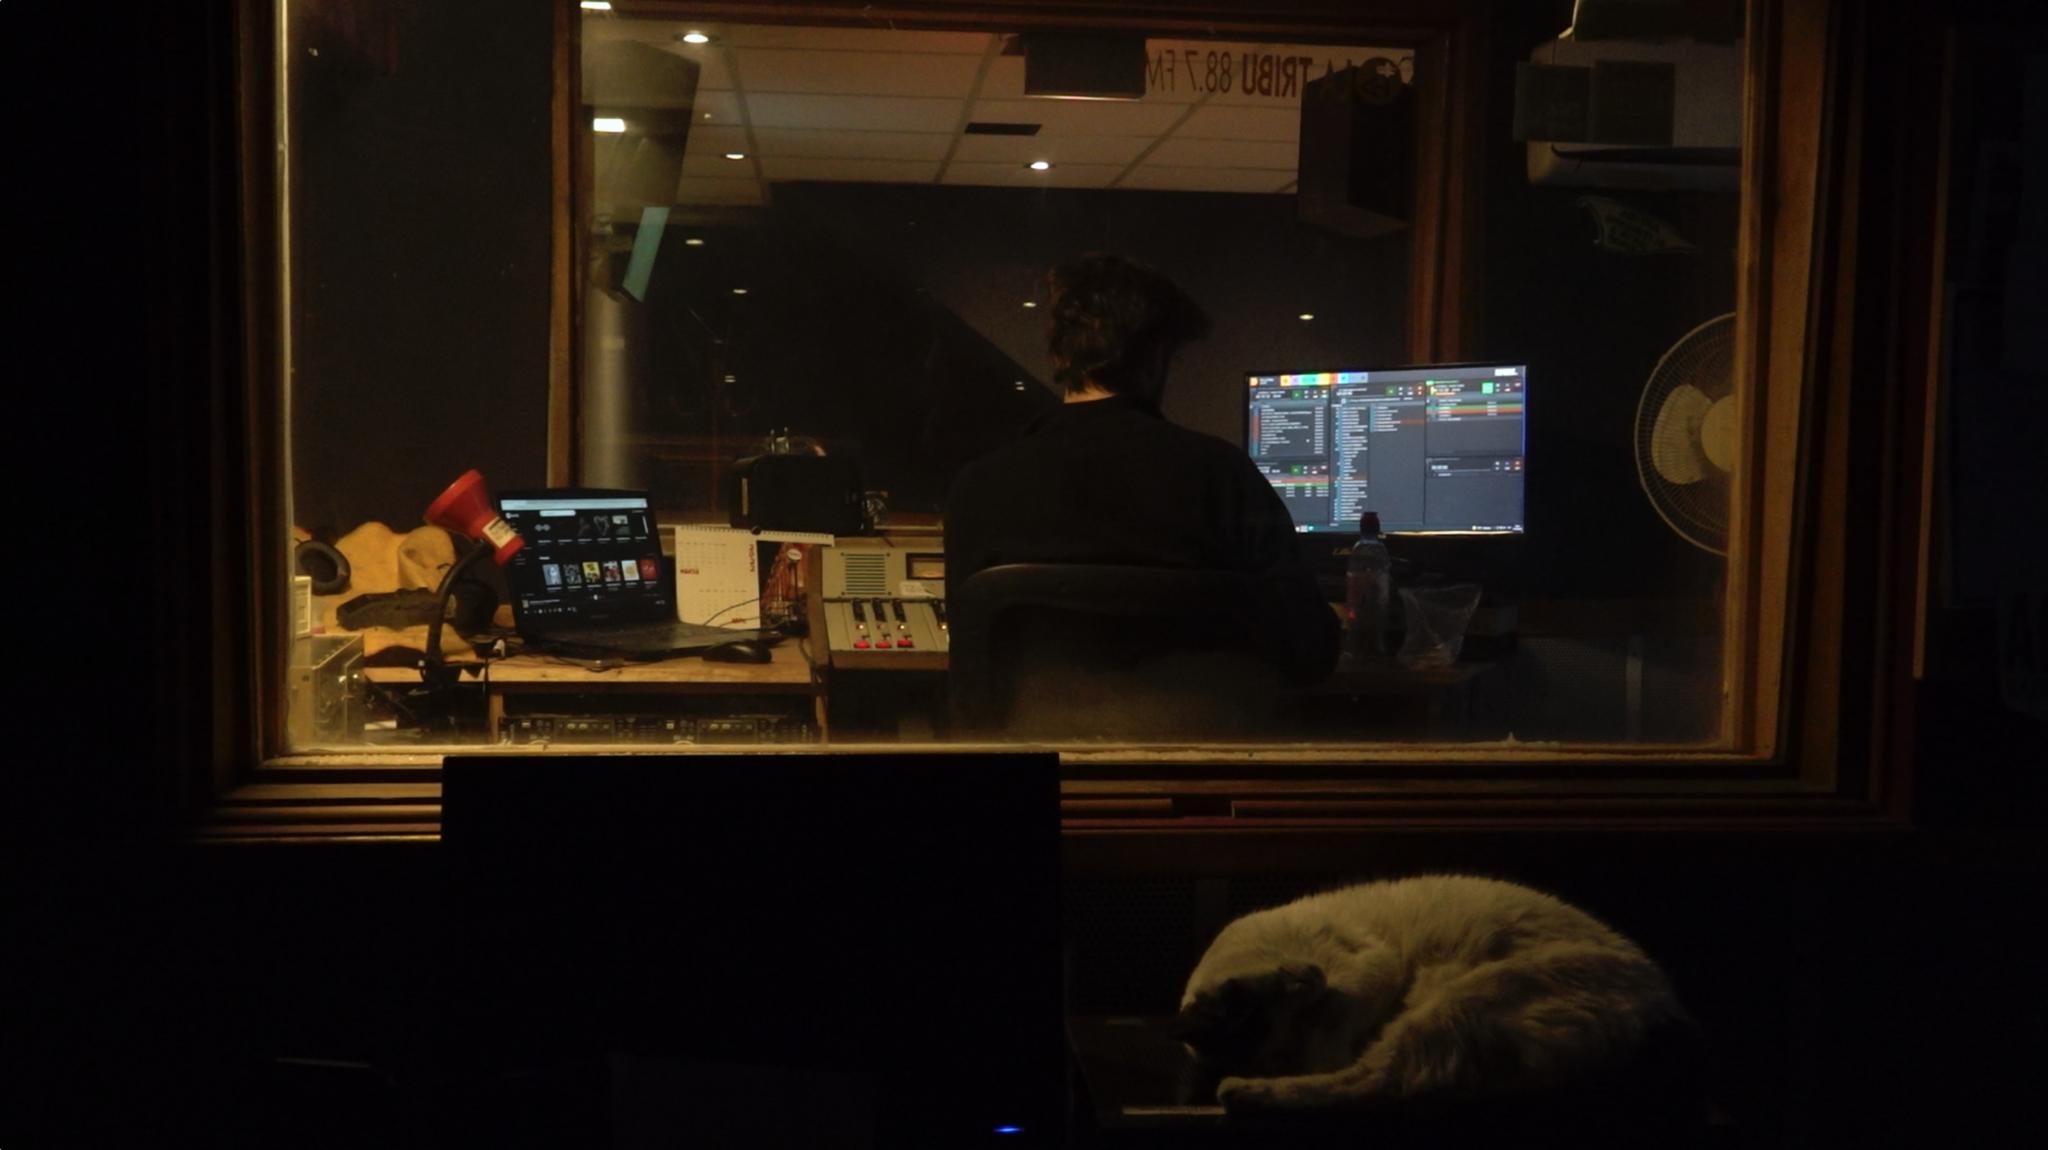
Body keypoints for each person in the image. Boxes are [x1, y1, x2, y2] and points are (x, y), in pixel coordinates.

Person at [944, 253, 1339, 700]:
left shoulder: (980, 486)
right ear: (1158, 359)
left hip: (1031, 740)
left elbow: (970, 664)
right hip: (1205, 741)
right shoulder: (1224, 477)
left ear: (1058, 354)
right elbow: (1310, 650)